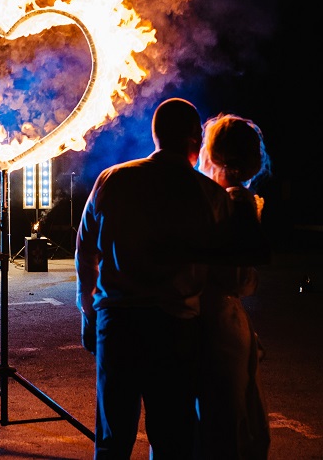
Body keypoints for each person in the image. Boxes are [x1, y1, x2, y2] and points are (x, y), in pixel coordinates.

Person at [75, 98, 237, 459]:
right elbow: (228, 273)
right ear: (196, 139)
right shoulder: (208, 194)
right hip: (175, 327)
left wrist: (88, 312)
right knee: (172, 436)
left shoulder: (112, 179)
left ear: (156, 134)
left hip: (117, 324)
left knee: (113, 437)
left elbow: (85, 252)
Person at [196, 112, 272, 459]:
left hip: (211, 315)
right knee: (235, 418)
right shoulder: (237, 201)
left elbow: (235, 274)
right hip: (223, 318)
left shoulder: (220, 199)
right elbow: (242, 277)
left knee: (219, 419)